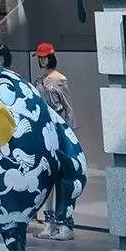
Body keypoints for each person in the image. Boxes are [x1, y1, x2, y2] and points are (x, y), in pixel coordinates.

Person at [33, 43, 77, 239]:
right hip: (44, 132)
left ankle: (65, 223)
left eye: (45, 57)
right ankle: (49, 222)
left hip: (60, 131)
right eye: (40, 57)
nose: (42, 60)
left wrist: (70, 133)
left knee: (63, 177)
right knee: (47, 176)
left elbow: (68, 107)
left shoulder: (59, 79)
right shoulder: (39, 80)